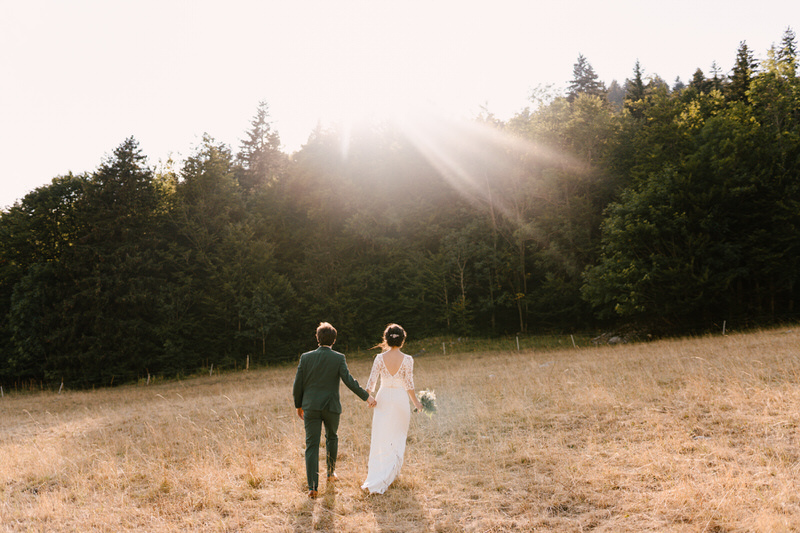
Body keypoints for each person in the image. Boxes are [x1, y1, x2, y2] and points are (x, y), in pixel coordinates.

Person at [293, 322, 377, 499]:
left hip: (311, 407)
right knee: (332, 437)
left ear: (317, 338)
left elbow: (297, 384)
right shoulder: (338, 358)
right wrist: (366, 397)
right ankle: (330, 474)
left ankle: (313, 487)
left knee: (312, 445)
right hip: (331, 407)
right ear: (334, 340)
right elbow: (349, 381)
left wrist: (299, 405)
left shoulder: (305, 357)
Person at [361, 323, 424, 495]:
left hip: (383, 399)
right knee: (397, 437)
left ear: (386, 339)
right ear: (402, 340)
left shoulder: (379, 358)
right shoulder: (408, 359)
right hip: (400, 400)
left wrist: (369, 397)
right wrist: (417, 403)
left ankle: (380, 475)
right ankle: (390, 474)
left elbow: (371, 382)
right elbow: (409, 385)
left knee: (381, 437)